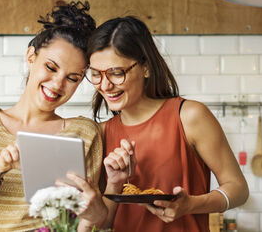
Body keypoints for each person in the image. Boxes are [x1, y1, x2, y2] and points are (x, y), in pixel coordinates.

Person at [0, 2, 106, 231]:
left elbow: (84, 221)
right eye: (51, 67)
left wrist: (94, 210)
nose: (57, 84)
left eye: (73, 78)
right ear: (31, 56)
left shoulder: (85, 133)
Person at [85, 16, 249, 232]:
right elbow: (103, 222)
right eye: (96, 74)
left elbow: (239, 190)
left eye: (116, 73)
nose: (105, 85)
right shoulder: (102, 132)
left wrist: (191, 205)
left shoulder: (189, 116)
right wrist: (115, 184)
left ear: (145, 67)